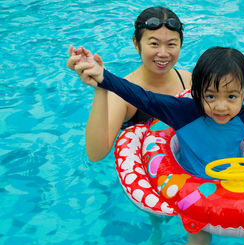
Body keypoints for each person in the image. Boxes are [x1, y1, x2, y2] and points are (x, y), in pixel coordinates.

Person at [72, 45, 244, 245]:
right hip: (196, 192)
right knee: (199, 238)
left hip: (238, 186)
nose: (221, 107)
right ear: (197, 92)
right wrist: (103, 77)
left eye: (232, 97)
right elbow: (142, 97)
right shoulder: (183, 111)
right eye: (211, 96)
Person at [67, 6, 191, 162]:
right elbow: (95, 154)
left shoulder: (188, 81)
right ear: (136, 43)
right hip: (148, 176)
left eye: (171, 44)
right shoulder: (122, 94)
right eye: (154, 44)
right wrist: (100, 88)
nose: (163, 53)